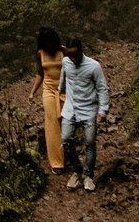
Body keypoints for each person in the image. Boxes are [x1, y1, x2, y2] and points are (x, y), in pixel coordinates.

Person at [58, 34, 110, 190]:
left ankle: (88, 176)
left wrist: (103, 109)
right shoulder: (66, 62)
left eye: (75, 54)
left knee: (89, 143)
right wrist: (61, 92)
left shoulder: (94, 66)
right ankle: (77, 171)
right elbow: (63, 79)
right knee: (66, 139)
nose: (72, 58)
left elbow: (102, 88)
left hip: (88, 109)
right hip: (70, 108)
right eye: (70, 55)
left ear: (81, 50)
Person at [35, 27, 67, 185]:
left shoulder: (63, 52)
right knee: (52, 124)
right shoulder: (40, 54)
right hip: (48, 91)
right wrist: (32, 92)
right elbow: (40, 74)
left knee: (66, 122)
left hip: (65, 91)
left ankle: (67, 156)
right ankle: (56, 162)